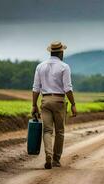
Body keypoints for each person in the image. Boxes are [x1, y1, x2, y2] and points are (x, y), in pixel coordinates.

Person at [32, 41, 77, 169]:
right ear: (60, 52)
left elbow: (35, 88)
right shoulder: (64, 67)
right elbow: (68, 88)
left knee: (47, 130)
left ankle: (48, 155)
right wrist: (73, 104)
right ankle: (56, 160)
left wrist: (34, 105)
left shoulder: (40, 66)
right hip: (59, 101)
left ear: (51, 52)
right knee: (60, 131)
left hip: (45, 101)